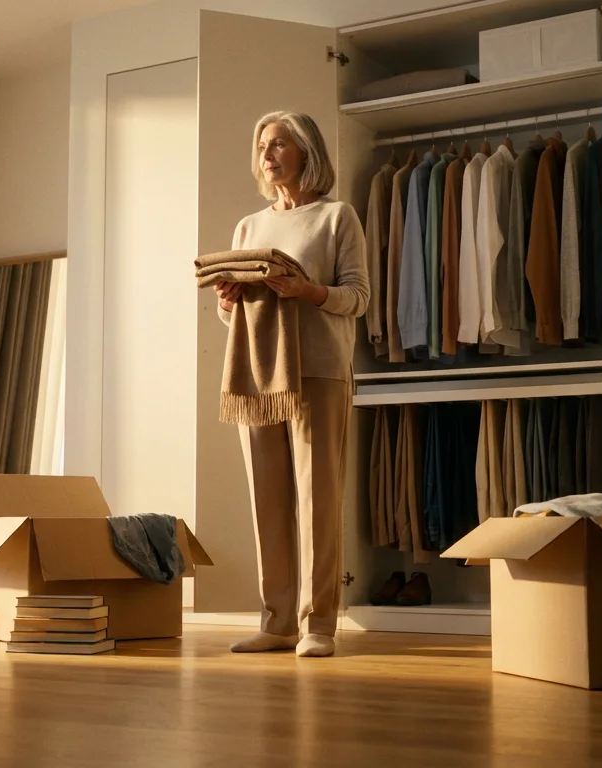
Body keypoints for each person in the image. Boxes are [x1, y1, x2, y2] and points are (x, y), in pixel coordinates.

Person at [213, 111, 368, 658]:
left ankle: (318, 624)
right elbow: (233, 318)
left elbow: (358, 298)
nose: (267, 154)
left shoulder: (336, 217)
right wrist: (227, 302)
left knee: (317, 498)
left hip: (319, 369)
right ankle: (277, 621)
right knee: (268, 500)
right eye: (261, 145)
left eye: (278, 143)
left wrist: (307, 291)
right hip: (257, 375)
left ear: (307, 151)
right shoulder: (248, 227)